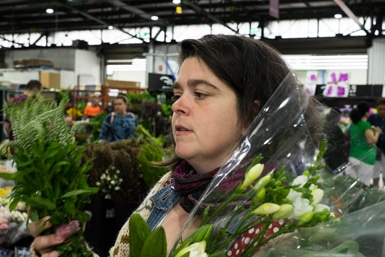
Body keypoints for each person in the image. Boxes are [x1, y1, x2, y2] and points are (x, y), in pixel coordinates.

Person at [29, 35, 320, 257]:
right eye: (177, 93)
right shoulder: (170, 187)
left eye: (201, 93)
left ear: (253, 115)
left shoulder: (278, 222)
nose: (178, 105)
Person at [345, 102, 382, 186]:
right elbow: (372, 141)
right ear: (366, 113)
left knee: (351, 184)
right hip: (365, 158)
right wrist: (377, 132)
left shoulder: (353, 124)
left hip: (353, 156)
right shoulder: (365, 125)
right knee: (363, 185)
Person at [368, 98, 385, 188]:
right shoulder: (372, 118)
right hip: (375, 150)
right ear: (376, 108)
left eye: (384, 109)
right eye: (380, 109)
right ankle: (375, 191)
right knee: (375, 172)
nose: (382, 111)